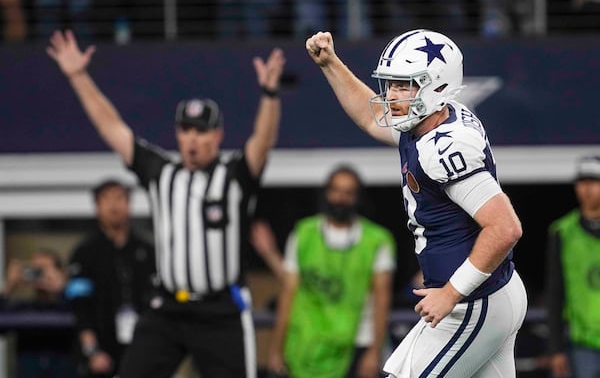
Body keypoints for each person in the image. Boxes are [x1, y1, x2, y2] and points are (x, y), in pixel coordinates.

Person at [46, 29, 285, 378]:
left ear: (217, 136)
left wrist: (269, 93)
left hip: (220, 311)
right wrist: (78, 76)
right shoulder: (161, 172)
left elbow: (262, 141)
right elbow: (113, 128)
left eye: (201, 131)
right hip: (168, 308)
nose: (192, 139)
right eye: (185, 130)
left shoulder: (234, 175)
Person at [305, 29, 527, 377]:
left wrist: (451, 293)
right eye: (390, 84)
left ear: (436, 86)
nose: (391, 95)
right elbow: (368, 116)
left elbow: (505, 227)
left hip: (474, 302)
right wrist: (331, 64)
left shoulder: (445, 147)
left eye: (403, 85)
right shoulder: (427, 120)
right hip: (488, 294)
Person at [252, 165, 397, 378]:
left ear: (358, 198)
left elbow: (382, 300)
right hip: (308, 342)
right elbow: (288, 293)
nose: (341, 198)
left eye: (348, 192)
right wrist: (276, 347)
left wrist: (375, 351)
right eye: (336, 190)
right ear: (326, 192)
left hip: (356, 342)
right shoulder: (304, 233)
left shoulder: (376, 240)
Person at [65, 178, 156, 378]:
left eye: (120, 198)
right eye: (106, 199)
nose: (114, 205)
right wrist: (92, 351)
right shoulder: (85, 252)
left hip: (141, 347)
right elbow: (80, 307)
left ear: (129, 204)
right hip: (102, 349)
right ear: (97, 206)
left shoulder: (147, 251)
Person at [545, 155, 600, 378]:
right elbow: (555, 292)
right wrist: (556, 348)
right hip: (582, 343)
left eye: (594, 182)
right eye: (582, 182)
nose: (587, 189)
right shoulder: (562, 231)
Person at [1, 248, 78, 378]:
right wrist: (9, 286)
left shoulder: (72, 304)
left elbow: (85, 319)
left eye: (45, 270)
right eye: (36, 270)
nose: (41, 275)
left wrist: (62, 289)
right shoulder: (24, 309)